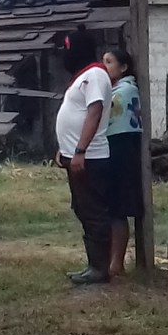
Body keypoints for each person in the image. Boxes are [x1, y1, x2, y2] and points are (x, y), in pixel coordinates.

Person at [57, 25, 114, 285]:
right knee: (82, 208)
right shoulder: (84, 77)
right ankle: (93, 265)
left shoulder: (95, 75)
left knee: (94, 212)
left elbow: (94, 112)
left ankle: (100, 269)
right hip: (78, 156)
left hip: (91, 157)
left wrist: (79, 150)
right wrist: (65, 149)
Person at [102, 49, 144, 277]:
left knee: (118, 208)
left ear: (124, 67)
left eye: (109, 62)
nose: (104, 66)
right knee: (110, 209)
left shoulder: (125, 91)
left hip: (121, 149)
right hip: (112, 148)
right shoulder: (113, 89)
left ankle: (116, 262)